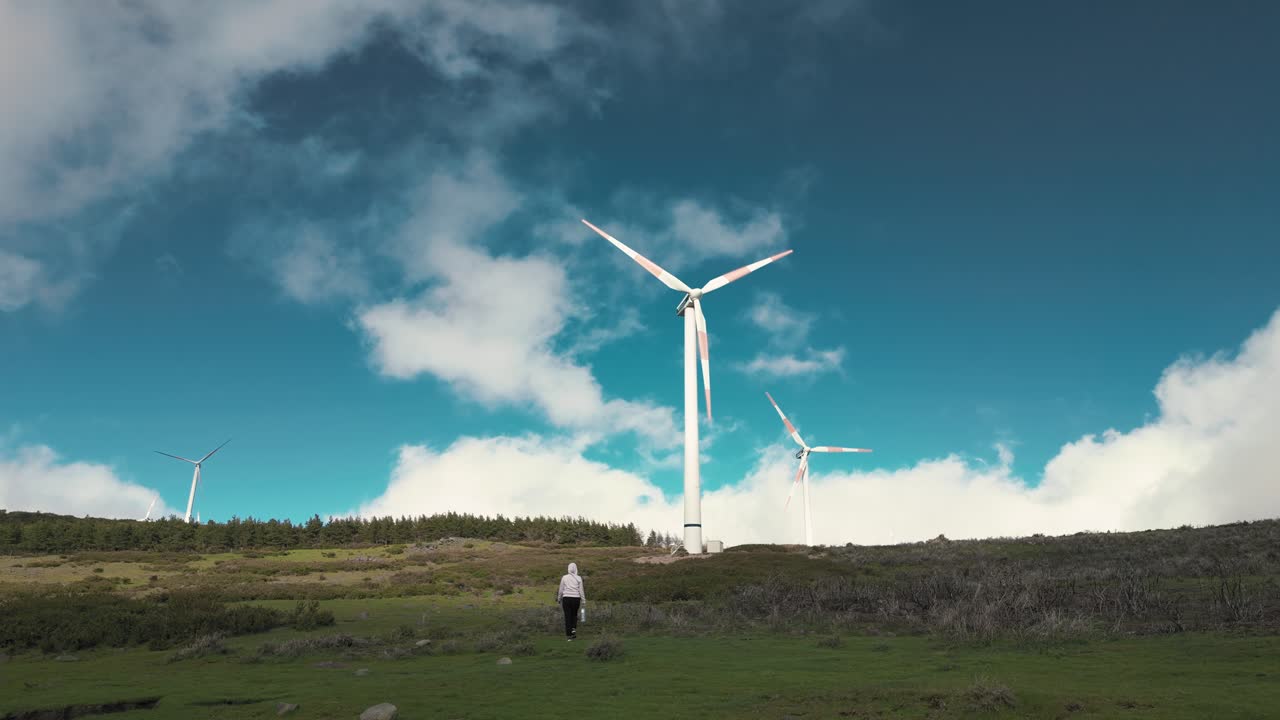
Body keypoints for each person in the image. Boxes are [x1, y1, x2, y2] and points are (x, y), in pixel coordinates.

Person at [556, 562, 585, 641]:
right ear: (576, 569)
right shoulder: (579, 578)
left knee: (567, 616)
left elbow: (561, 589)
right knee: (574, 615)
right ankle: (573, 628)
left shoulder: (564, 577)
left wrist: (559, 598)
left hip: (566, 599)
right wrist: (583, 600)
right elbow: (581, 590)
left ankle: (569, 636)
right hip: (576, 599)